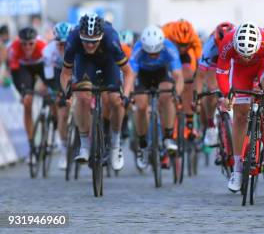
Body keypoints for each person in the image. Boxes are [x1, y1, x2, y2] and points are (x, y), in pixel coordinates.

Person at [60, 14, 134, 171]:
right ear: (80, 35)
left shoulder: (111, 39)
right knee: (82, 96)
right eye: (86, 41)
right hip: (85, 63)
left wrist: (126, 95)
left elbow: (129, 73)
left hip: (109, 63)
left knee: (116, 100)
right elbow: (65, 74)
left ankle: (115, 144)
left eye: (94, 42)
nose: (90, 45)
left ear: (101, 37)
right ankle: (85, 145)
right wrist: (66, 92)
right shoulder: (73, 39)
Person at [215, 22, 264, 192]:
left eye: (249, 54)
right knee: (240, 116)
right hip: (241, 71)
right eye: (243, 54)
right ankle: (237, 168)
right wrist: (228, 95)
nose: (246, 58)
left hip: (263, 64)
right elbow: (221, 72)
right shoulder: (227, 43)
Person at [126, 25, 184, 170]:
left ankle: (168, 137)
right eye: (149, 53)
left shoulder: (169, 47)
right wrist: (127, 95)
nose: (153, 56)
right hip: (143, 75)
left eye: (156, 53)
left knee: (168, 96)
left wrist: (177, 94)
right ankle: (143, 145)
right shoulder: (138, 49)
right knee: (140, 106)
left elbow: (178, 76)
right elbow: (130, 75)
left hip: (161, 73)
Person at [8, 27, 47, 163]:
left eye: (30, 43)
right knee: (27, 103)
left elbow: (51, 69)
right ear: (20, 42)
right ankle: (32, 148)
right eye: (24, 43)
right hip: (24, 70)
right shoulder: (14, 48)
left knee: (54, 96)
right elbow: (15, 74)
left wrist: (46, 86)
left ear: (35, 41)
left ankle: (53, 120)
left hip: (42, 65)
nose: (27, 47)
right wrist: (24, 93)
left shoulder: (43, 47)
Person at [195, 22, 235, 147]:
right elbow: (201, 75)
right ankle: (211, 125)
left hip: (232, 60)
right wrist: (197, 97)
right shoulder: (209, 46)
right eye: (221, 44)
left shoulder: (237, 40)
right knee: (212, 90)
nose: (223, 46)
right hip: (214, 63)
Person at [162, 20, 202, 139]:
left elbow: (200, 63)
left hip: (184, 59)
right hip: (167, 55)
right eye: (180, 45)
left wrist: (195, 79)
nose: (183, 48)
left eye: (186, 45)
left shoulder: (194, 39)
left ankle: (189, 121)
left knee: (189, 77)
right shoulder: (165, 33)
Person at [43, 22, 72, 169]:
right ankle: (64, 150)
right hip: (56, 75)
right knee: (61, 112)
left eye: (65, 43)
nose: (62, 47)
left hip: (73, 73)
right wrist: (58, 94)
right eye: (59, 43)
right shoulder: (48, 52)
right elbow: (49, 79)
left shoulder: (76, 49)